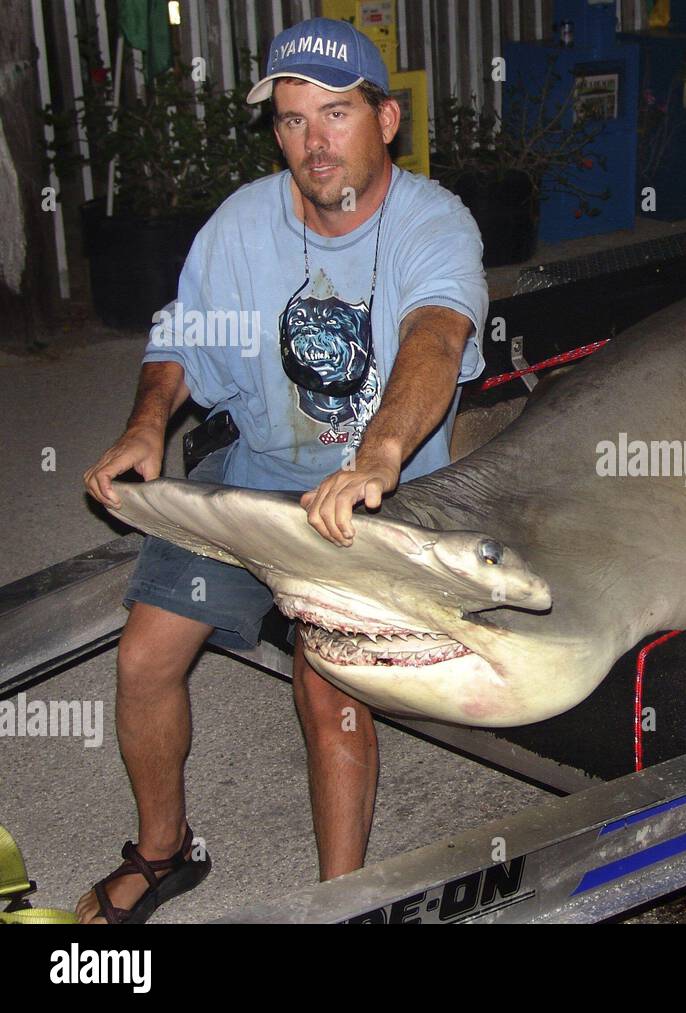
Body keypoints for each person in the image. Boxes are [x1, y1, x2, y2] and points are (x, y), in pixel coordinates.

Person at [78, 17, 488, 923]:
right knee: (145, 653)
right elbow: (182, 336)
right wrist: (147, 424)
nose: (314, 143)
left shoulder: (435, 222)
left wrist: (377, 455)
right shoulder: (242, 224)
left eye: (335, 115)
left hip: (391, 491)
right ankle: (163, 850)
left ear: (385, 120)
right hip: (260, 474)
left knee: (323, 675)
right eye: (294, 120)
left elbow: (435, 336)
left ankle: (341, 903)